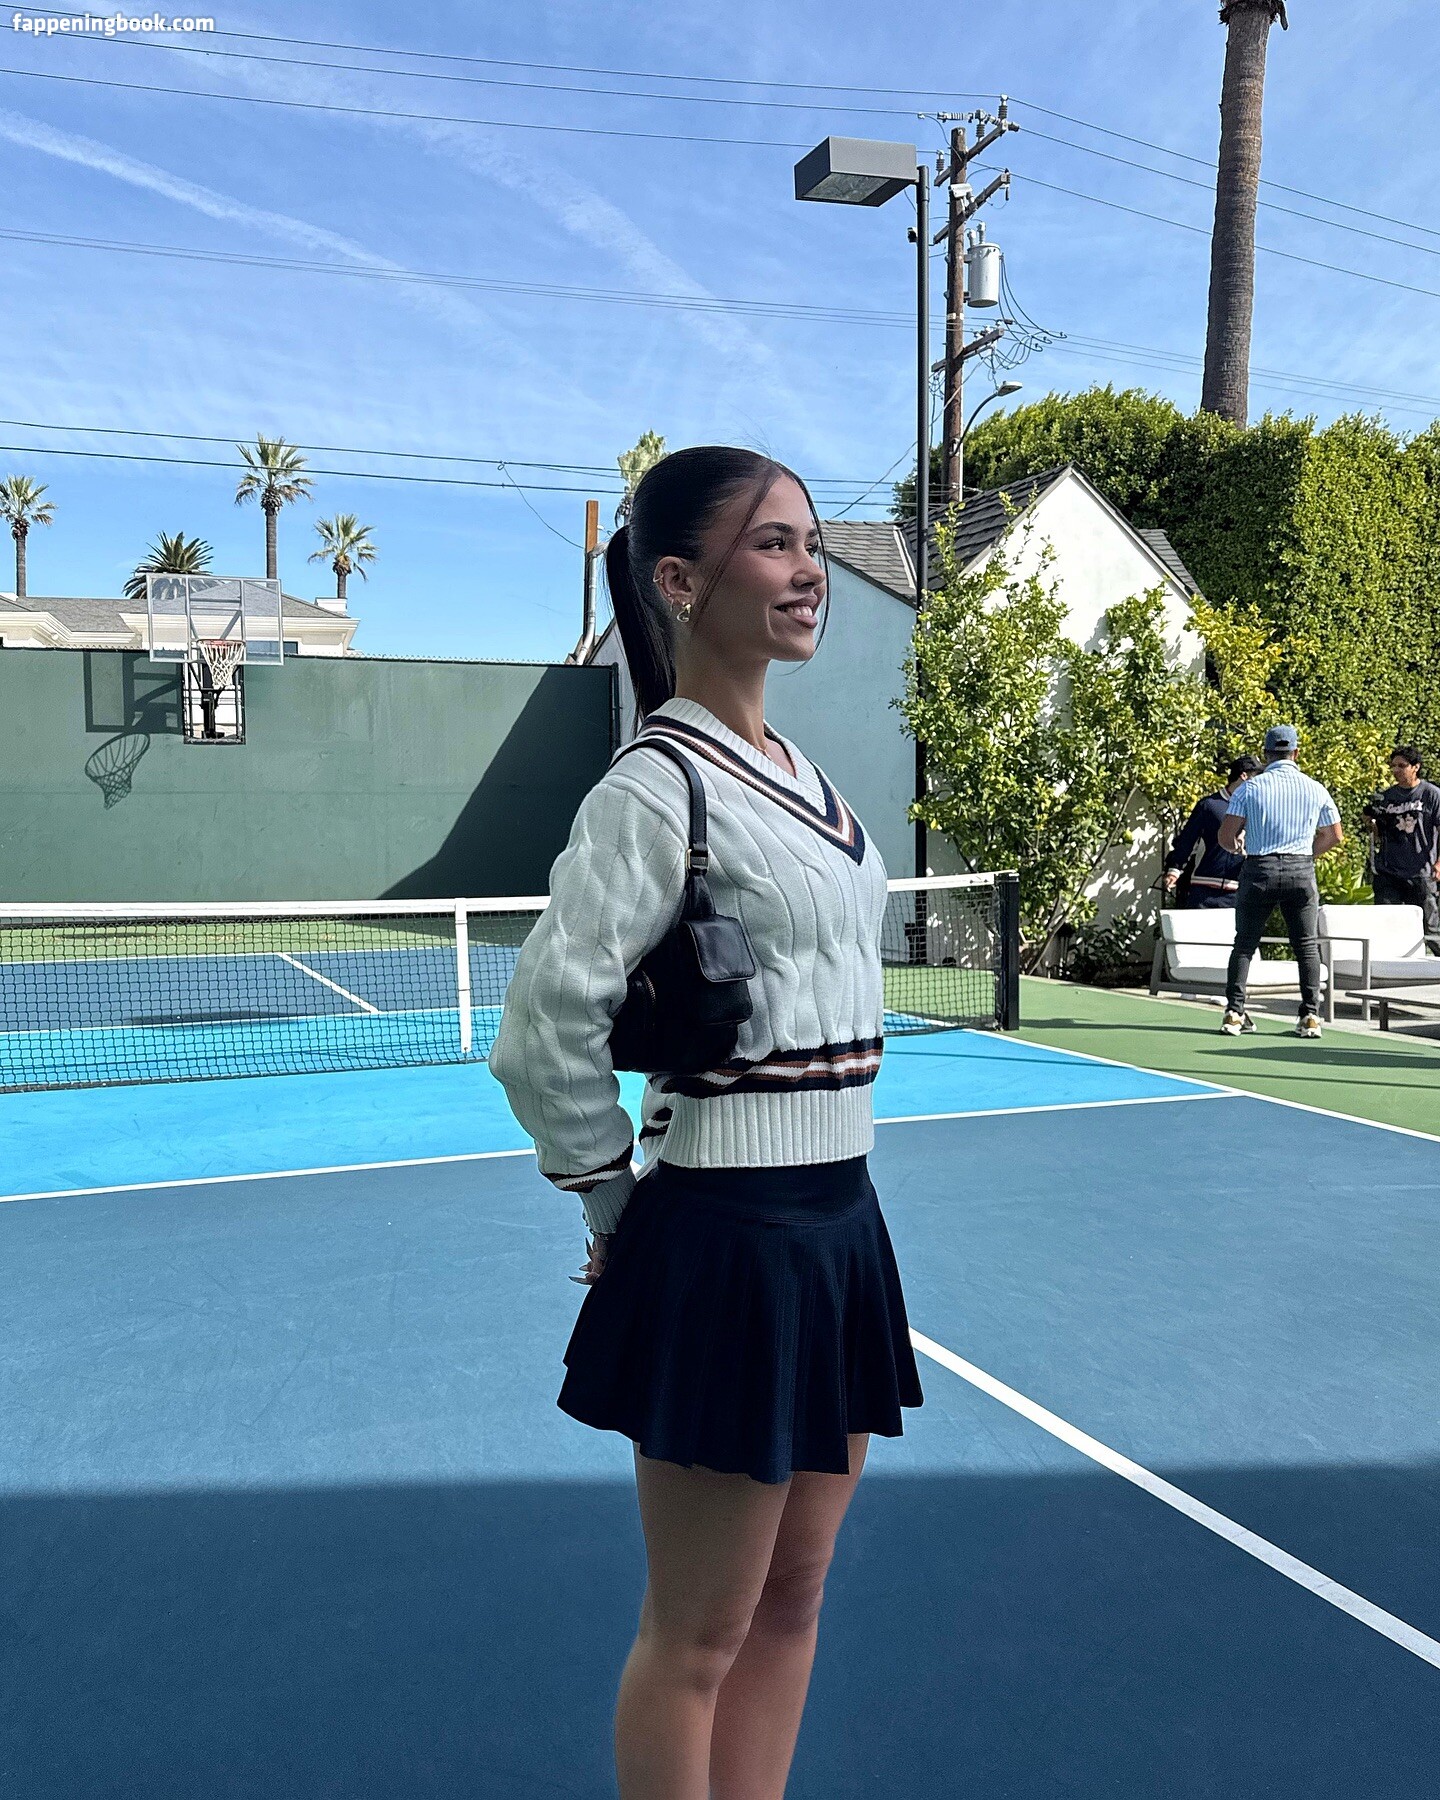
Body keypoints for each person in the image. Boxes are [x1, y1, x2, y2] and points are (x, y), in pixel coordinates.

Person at [487, 446, 923, 1800]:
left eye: (811, 544)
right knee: (697, 1638)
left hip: (842, 1226)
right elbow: (543, 1024)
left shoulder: (807, 775)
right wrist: (613, 1200)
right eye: (774, 545)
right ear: (679, 581)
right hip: (725, 1239)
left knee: (793, 1601)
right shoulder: (651, 788)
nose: (810, 572)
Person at [1217, 724, 1344, 1039]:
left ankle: (1234, 1013)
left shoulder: (1250, 788)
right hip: (1300, 869)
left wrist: (1238, 847)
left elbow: (1226, 836)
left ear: (1266, 754)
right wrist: (1307, 855)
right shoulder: (1315, 788)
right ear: (1296, 753)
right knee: (1306, 945)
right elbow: (1334, 835)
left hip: (1259, 867)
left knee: (1245, 944)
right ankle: (1310, 1015)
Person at [1162, 755, 1262, 908]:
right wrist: (1174, 869)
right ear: (1244, 776)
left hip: (1238, 892)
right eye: (1257, 776)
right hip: (1203, 890)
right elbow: (1187, 840)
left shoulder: (1257, 809)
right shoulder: (1209, 805)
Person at [1363, 745, 1440, 938]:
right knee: (1387, 927)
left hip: (1420, 871)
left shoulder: (1431, 794)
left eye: (1402, 766)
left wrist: (1439, 863)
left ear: (1415, 767)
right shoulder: (1387, 797)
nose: (1396, 770)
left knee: (1430, 928)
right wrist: (1371, 821)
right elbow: (1379, 835)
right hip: (1389, 871)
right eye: (1393, 766)